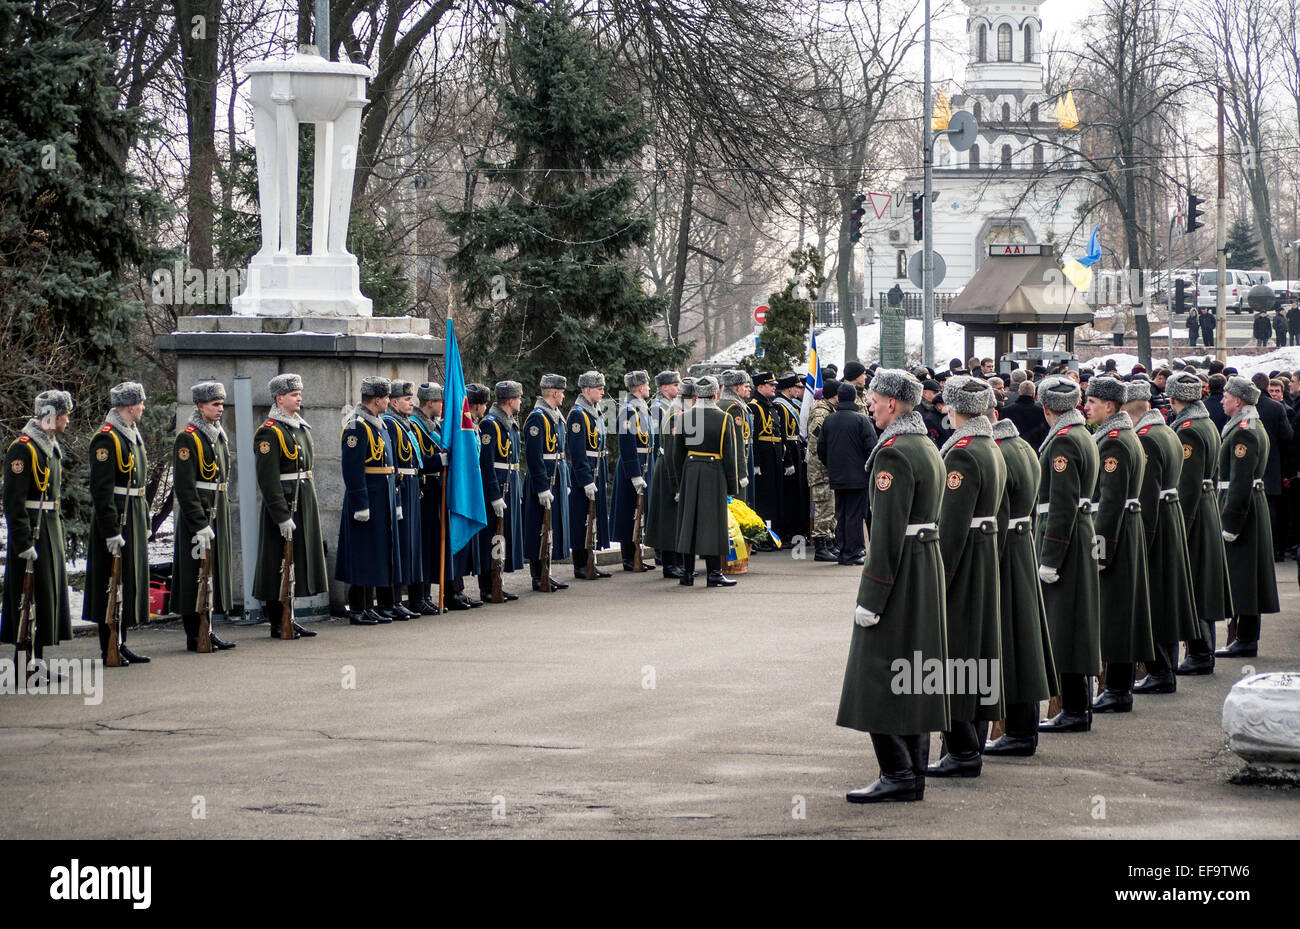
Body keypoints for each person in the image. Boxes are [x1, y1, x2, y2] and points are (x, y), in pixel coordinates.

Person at [838, 369, 946, 803]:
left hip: (899, 573)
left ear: (895, 405)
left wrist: (872, 596)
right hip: (923, 568)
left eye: (876, 399)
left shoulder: (894, 453)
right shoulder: (925, 445)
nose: (869, 404)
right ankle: (911, 772)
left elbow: (884, 533)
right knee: (916, 673)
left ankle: (898, 772)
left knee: (877, 671)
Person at [925, 376, 1006, 778]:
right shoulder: (989, 445)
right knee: (977, 652)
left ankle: (962, 750)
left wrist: (941, 576)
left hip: (966, 561)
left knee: (956, 654)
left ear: (955, 407)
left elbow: (952, 525)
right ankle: (969, 742)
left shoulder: (961, 453)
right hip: (986, 555)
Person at [984, 406, 1057, 757]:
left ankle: (1018, 731)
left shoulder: (996, 452)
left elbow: (996, 511)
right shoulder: (1024, 447)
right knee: (1024, 643)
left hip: (1004, 553)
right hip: (1023, 546)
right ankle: (1022, 729)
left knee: (1009, 645)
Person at [1035, 375, 1101, 733]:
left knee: (1066, 627)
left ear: (1047, 408)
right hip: (1080, 536)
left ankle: (1075, 709)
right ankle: (1078, 706)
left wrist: (1050, 557)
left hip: (1067, 540)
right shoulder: (1081, 435)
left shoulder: (1063, 442)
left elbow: (1061, 505)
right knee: (1075, 622)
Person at [1084, 376, 1155, 714]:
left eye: (1092, 402)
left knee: (1115, 613)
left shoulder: (1113, 442)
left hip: (1116, 532)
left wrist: (1100, 548)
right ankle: (1118, 687)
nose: (1086, 407)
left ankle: (1117, 689)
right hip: (1126, 529)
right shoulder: (1121, 436)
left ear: (1109, 406)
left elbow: (1110, 501)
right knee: (1121, 611)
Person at [1124, 380, 1199, 694]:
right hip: (1171, 518)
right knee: (1165, 601)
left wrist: (1145, 538)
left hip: (1156, 523)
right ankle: (1164, 670)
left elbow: (1147, 494)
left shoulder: (1147, 439)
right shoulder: (1166, 431)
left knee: (1153, 601)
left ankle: (1161, 671)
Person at [1163, 371, 1233, 674]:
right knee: (1200, 581)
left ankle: (1200, 652)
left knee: (1194, 584)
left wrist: (1183, 524)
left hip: (1194, 512)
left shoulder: (1188, 430)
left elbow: (1187, 484)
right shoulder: (1202, 423)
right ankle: (1201, 651)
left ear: (1174, 397)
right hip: (1206, 507)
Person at [1, 390, 74, 672]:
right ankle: (23, 662)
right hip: (32, 531)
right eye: (64, 415)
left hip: (48, 529)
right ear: (51, 417)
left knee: (43, 595)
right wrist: (22, 541)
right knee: (25, 598)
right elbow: (13, 502)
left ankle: (38, 660)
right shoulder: (24, 448)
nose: (67, 420)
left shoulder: (49, 446)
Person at [253, 374, 329, 637]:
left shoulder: (299, 427)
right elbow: (268, 478)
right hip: (285, 503)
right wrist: (281, 515)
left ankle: (290, 615)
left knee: (295, 561)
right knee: (278, 562)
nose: (299, 397)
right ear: (279, 398)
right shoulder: (269, 432)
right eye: (293, 394)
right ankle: (278, 620)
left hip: (303, 499)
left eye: (299, 393)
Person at [85, 382, 151, 664]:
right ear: (130, 406)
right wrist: (111, 530)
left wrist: (145, 518)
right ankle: (108, 645)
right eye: (141, 403)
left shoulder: (130, 435)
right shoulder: (107, 439)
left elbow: (139, 484)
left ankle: (121, 642)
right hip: (116, 520)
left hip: (132, 515)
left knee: (125, 581)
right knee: (109, 583)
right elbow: (101, 490)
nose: (144, 408)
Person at [1215, 376, 1281, 658]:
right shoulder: (1247, 426)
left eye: (1226, 397)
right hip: (1249, 506)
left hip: (1243, 509)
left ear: (1238, 401)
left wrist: (1231, 521)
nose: (1222, 400)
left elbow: (1240, 481)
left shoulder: (1244, 431)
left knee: (1244, 576)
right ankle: (1243, 637)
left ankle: (1245, 639)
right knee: (1246, 575)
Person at [171, 381, 236, 652]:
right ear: (200, 406)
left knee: (210, 572)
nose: (220, 409)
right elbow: (185, 486)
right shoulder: (189, 437)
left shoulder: (217, 434)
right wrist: (198, 522)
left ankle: (207, 628)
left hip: (216, 509)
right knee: (194, 574)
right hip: (198, 516)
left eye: (221, 404)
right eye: (214, 404)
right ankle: (194, 633)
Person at [336, 376, 401, 625]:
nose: (388, 402)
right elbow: (352, 469)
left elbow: (390, 467)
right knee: (362, 552)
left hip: (382, 495)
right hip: (366, 498)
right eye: (386, 398)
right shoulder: (356, 426)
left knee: (375, 551)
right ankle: (357, 607)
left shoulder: (379, 424)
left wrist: (394, 500)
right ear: (376, 399)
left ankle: (368, 605)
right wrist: (360, 503)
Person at [672, 376, 740, 588]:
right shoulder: (724, 418)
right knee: (713, 523)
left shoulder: (684, 417)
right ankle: (714, 573)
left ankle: (687, 574)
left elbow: (676, 454)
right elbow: (730, 455)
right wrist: (732, 485)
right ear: (715, 394)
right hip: (714, 472)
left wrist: (678, 483)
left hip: (690, 471)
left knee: (688, 522)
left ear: (696, 395)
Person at [380, 381, 427, 620]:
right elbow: (394, 463)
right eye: (407, 399)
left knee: (411, 545)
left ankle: (408, 599)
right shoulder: (390, 423)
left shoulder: (405, 424)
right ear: (394, 402)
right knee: (399, 548)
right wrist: (397, 498)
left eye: (411, 399)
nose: (411, 403)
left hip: (412, 486)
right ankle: (394, 600)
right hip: (401, 487)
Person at [818, 382, 877, 566]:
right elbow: (872, 447)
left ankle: (843, 550)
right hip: (858, 476)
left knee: (841, 513)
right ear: (853, 398)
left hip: (837, 475)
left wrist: (831, 465)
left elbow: (821, 448)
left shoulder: (829, 419)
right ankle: (852, 552)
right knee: (854, 515)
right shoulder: (861, 420)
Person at [522, 374, 571, 592]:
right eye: (561, 391)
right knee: (539, 527)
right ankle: (537, 575)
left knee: (550, 527)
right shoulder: (537, 418)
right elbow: (534, 457)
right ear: (553, 392)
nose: (563, 395)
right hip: (543, 481)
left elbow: (562, 452)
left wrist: (566, 479)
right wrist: (541, 486)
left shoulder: (556, 416)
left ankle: (547, 572)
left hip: (556, 477)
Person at [478, 381, 525, 601]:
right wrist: (494, 495)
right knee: (493, 538)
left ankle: (498, 582)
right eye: (518, 398)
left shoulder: (508, 422)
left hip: (510, 484)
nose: (520, 401)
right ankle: (488, 586)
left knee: (503, 536)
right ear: (509, 400)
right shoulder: (491, 424)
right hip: (498, 486)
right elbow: (487, 464)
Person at [646, 377, 691, 579]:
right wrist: (676, 483)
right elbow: (671, 447)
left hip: (673, 467)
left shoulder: (678, 410)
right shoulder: (672, 412)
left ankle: (678, 562)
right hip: (669, 468)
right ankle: (669, 564)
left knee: (675, 519)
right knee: (668, 520)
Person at [567, 371, 612, 579]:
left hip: (597, 470)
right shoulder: (578, 414)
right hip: (584, 475)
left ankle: (590, 560)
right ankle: (581, 564)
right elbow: (577, 452)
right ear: (587, 390)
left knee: (592, 519)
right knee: (581, 519)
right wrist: (585, 480)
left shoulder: (595, 411)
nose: (603, 392)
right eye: (599, 388)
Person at [611, 371, 655, 571]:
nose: (648, 387)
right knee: (629, 511)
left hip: (643, 462)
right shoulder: (628, 410)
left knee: (638, 512)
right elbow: (627, 443)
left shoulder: (640, 408)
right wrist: (635, 473)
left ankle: (636, 553)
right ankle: (628, 557)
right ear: (639, 388)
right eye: (646, 384)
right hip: (632, 465)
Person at [1249, 372, 1293, 560]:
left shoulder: (1247, 407)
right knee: (1272, 507)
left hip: (1250, 462)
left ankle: (1255, 547)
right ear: (1268, 386)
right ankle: (1273, 548)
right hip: (1273, 463)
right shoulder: (1277, 408)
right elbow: (1287, 435)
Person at [747, 371, 784, 546]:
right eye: (771, 385)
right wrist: (756, 463)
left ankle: (774, 534)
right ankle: (763, 537)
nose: (774, 387)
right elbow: (753, 437)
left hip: (775, 455)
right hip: (764, 456)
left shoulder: (771, 405)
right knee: (765, 499)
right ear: (760, 386)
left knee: (776, 497)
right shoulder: (755, 406)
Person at [806, 376, 841, 562]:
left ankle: (829, 542)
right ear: (834, 396)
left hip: (825, 468)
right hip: (820, 470)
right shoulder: (821, 413)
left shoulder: (829, 410)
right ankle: (820, 547)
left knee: (830, 508)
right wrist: (826, 469)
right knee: (823, 507)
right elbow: (817, 443)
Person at [773, 373, 809, 545]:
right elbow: (783, 435)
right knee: (790, 494)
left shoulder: (791, 405)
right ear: (789, 388)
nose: (799, 390)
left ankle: (796, 530)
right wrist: (787, 459)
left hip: (796, 450)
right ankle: (788, 532)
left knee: (797, 493)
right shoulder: (780, 405)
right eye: (797, 387)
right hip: (789, 451)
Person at [718, 371, 753, 509]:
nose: (749, 389)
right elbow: (737, 442)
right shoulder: (733, 407)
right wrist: (742, 473)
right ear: (736, 388)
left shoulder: (727, 403)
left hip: (736, 460)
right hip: (737, 464)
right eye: (746, 386)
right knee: (738, 505)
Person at [1001, 378, 1048, 447]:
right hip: (1035, 448)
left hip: (1014, 447)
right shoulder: (1041, 412)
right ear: (1033, 394)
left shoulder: (1006, 410)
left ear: (1019, 392)